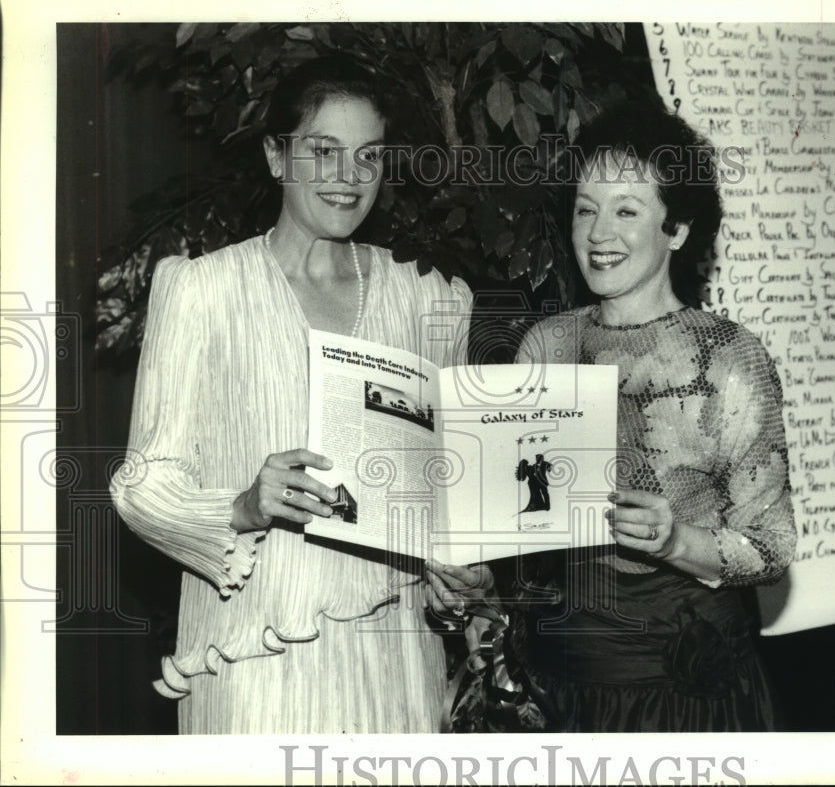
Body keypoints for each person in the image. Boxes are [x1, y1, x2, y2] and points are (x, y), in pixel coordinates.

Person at [110, 54, 472, 734]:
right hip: (253, 660)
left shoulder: (431, 295)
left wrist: (463, 580)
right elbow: (141, 485)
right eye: (323, 151)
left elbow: (449, 495)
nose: (348, 179)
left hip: (393, 663)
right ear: (277, 157)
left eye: (368, 156)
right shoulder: (203, 290)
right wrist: (243, 504)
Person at [430, 99, 795, 732]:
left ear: (676, 229)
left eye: (627, 210)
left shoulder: (729, 361)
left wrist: (677, 541)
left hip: (685, 700)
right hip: (560, 689)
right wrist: (474, 581)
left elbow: (771, 547)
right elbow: (517, 535)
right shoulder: (545, 348)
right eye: (585, 209)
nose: (599, 234)